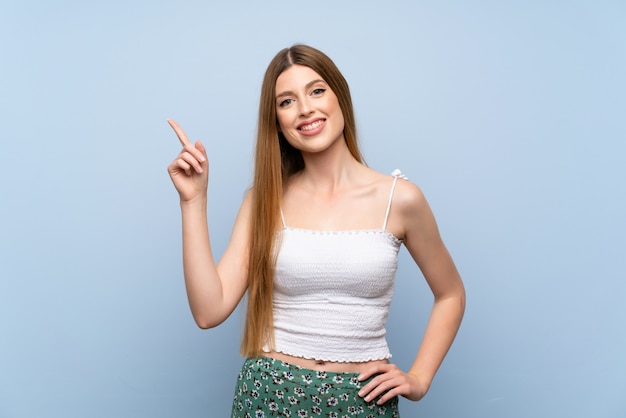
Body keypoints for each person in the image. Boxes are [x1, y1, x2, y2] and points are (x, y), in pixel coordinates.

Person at [167, 44, 465, 417]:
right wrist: (193, 202)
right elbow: (208, 311)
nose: (306, 108)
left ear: (340, 96)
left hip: (361, 401)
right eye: (286, 101)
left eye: (317, 90)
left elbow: (450, 293)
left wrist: (419, 378)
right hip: (268, 395)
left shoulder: (400, 198)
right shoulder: (263, 201)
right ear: (276, 121)